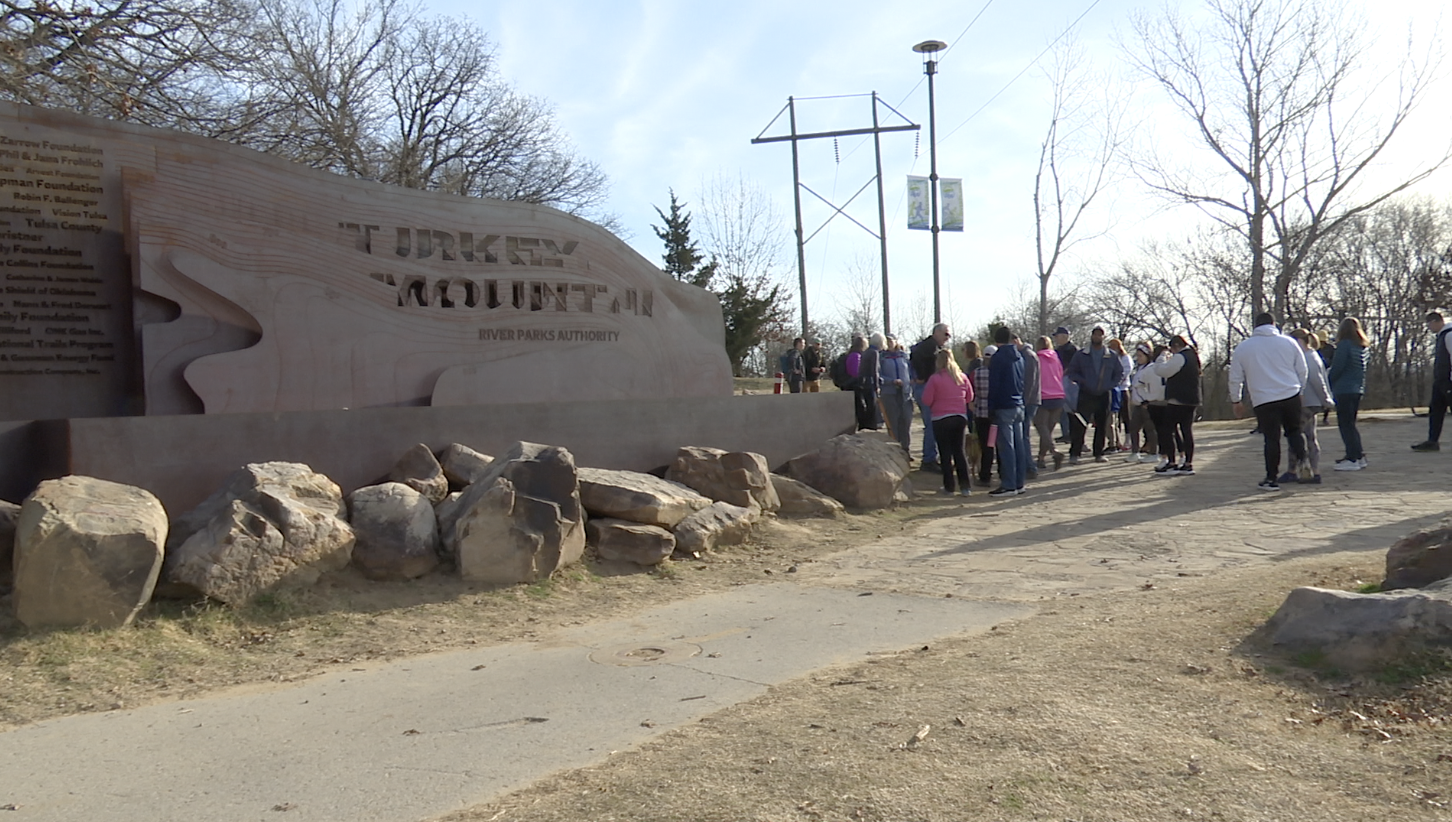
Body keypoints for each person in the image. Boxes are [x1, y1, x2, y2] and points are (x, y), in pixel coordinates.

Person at [1229, 313, 1309, 492]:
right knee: (1294, 431)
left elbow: (1235, 377)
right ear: (1274, 324)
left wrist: (1236, 399)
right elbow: (1302, 369)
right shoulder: (1289, 342)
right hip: (1290, 393)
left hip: (1264, 398)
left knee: (1271, 438)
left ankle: (1271, 478)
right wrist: (1300, 389)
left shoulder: (1244, 347)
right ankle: (1304, 461)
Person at [1064, 326, 1125, 464]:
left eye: (1100, 335)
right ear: (1091, 336)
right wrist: (1081, 381)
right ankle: (1075, 453)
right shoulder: (1081, 354)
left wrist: (1110, 385)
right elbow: (1072, 371)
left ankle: (1098, 453)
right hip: (1085, 393)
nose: (1097, 337)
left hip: (1104, 394)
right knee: (1080, 425)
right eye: (1095, 335)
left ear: (1104, 337)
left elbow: (1120, 373)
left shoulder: (1111, 356)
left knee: (1102, 424)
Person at [920, 348, 974, 496]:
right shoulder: (962, 377)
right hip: (959, 417)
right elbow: (970, 396)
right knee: (959, 451)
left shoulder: (935, 379)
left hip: (941, 418)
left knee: (945, 453)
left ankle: (949, 486)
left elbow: (926, 399)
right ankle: (965, 486)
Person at [1285, 328, 1332, 485]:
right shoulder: (1312, 355)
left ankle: (1297, 470)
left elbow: (1317, 381)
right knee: (1310, 437)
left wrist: (1326, 400)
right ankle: (1314, 471)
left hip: (1307, 402)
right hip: (1312, 402)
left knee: (1295, 435)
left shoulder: (1307, 358)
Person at [1152, 335, 1201, 476]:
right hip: (1192, 399)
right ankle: (1188, 463)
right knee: (1186, 430)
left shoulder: (1180, 357)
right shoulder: (1193, 356)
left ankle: (1171, 462)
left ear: (1176, 346)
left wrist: (1161, 357)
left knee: (1167, 429)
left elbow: (1162, 371)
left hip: (1178, 399)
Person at [988, 327, 1029, 496]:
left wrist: (991, 407)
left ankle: (1008, 484)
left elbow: (994, 385)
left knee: (1006, 447)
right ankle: (1019, 482)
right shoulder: (1020, 357)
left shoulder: (998, 358)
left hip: (1004, 405)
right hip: (1018, 404)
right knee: (1019, 446)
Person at [1328, 317, 1370, 470]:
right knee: (1351, 424)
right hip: (1357, 389)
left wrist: (1327, 382)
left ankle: (1353, 458)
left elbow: (1337, 367)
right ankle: (1357, 455)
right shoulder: (1362, 347)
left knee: (1345, 425)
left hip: (1344, 389)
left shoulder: (1344, 345)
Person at [909, 324, 951, 471]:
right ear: (937, 333)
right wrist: (922, 377)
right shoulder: (930, 348)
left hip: (924, 386)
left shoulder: (927, 347)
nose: (947, 338)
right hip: (925, 387)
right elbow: (918, 360)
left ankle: (931, 456)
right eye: (946, 334)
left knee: (932, 424)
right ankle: (928, 459)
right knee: (931, 424)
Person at [1412, 311, 1452, 452]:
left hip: (1448, 380)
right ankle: (1432, 441)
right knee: (1435, 410)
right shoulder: (1441, 336)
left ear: (1436, 321)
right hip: (1441, 381)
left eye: (1429, 324)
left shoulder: (1449, 335)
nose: (1429, 328)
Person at [1034, 336, 1066, 471]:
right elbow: (1060, 374)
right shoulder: (1055, 358)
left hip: (1043, 396)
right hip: (1058, 395)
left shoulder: (1037, 359)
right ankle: (1041, 458)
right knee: (1047, 430)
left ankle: (1054, 452)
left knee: (1041, 426)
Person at [1126, 342, 1161, 463]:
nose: (1138, 358)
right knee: (1134, 428)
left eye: (1141, 356)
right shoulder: (1139, 368)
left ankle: (1153, 453)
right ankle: (1135, 452)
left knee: (1150, 429)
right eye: (1137, 356)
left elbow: (1148, 385)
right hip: (1137, 403)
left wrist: (1148, 399)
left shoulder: (1151, 369)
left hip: (1146, 403)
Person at [879, 336, 914, 458]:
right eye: (886, 341)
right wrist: (891, 381)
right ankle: (894, 451)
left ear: (896, 341)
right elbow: (879, 376)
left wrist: (912, 381)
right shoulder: (881, 357)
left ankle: (906, 449)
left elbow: (910, 371)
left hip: (905, 394)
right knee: (893, 422)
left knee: (906, 421)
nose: (889, 343)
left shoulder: (904, 356)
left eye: (891, 341)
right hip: (890, 393)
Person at [1015, 333, 1041, 481]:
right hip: (1030, 399)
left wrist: (1023, 401)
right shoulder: (1026, 354)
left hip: (1029, 401)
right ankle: (1027, 466)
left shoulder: (1028, 356)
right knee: (1023, 434)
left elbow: (1029, 381)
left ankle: (1030, 467)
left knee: (1023, 435)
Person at [971, 346, 995, 486]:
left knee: (985, 446)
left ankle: (985, 476)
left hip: (980, 413)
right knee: (995, 444)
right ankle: (1002, 473)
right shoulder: (997, 373)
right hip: (993, 414)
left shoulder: (976, 373)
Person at [1106, 337, 1133, 452]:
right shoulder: (1110, 358)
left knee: (1126, 415)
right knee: (1115, 417)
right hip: (1113, 389)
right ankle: (1117, 440)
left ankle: (1128, 439)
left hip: (1123, 389)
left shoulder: (1125, 358)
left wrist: (1117, 380)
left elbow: (1126, 371)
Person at [1052, 326, 1077, 443]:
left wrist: (1062, 373)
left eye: (1057, 336)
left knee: (1071, 408)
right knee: (1062, 408)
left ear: (1064, 336)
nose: (1056, 339)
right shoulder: (1058, 350)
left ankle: (1074, 434)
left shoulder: (1072, 349)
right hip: (1059, 380)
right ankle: (1065, 433)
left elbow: (1072, 365)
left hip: (1070, 381)